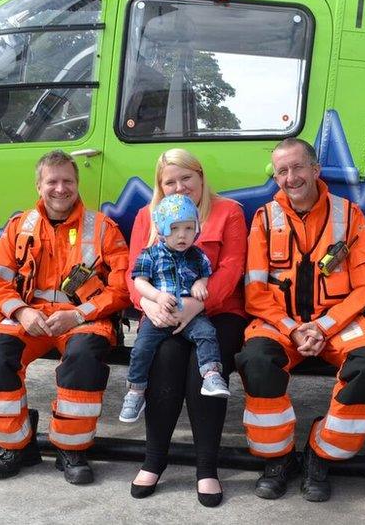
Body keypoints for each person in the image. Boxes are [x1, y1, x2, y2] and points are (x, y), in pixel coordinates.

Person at [236, 138, 365, 503]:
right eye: (282, 171)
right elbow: (255, 291)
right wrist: (294, 328)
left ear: (316, 169)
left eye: (298, 167)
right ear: (275, 177)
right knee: (256, 360)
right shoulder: (263, 220)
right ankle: (277, 460)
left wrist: (324, 326)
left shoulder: (349, 215)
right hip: (281, 323)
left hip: (338, 322)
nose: (291, 177)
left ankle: (320, 456)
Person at [0, 150, 131, 485]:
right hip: (28, 318)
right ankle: (16, 447)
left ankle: (71, 449)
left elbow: (121, 290)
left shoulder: (104, 228)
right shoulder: (18, 228)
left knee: (83, 361)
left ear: (77, 184)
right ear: (39, 185)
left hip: (84, 319)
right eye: (53, 181)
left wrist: (77, 315)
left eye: (68, 181)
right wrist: (21, 310)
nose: (61, 188)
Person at [126, 148, 248, 507]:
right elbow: (132, 275)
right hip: (163, 312)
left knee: (203, 375)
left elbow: (230, 269)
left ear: (200, 176)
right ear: (160, 186)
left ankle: (207, 469)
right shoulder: (146, 216)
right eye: (169, 182)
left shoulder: (228, 212)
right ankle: (154, 461)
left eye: (186, 179)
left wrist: (196, 306)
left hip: (218, 312)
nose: (179, 187)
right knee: (164, 361)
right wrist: (148, 305)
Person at [120, 194, 230, 423]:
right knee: (141, 348)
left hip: (190, 314)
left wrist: (200, 285)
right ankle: (136, 390)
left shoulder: (197, 255)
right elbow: (139, 281)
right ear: (161, 230)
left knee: (207, 334)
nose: (183, 235)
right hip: (159, 315)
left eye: (189, 228)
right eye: (175, 228)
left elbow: (205, 275)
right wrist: (157, 296)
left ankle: (211, 374)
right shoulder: (150, 254)